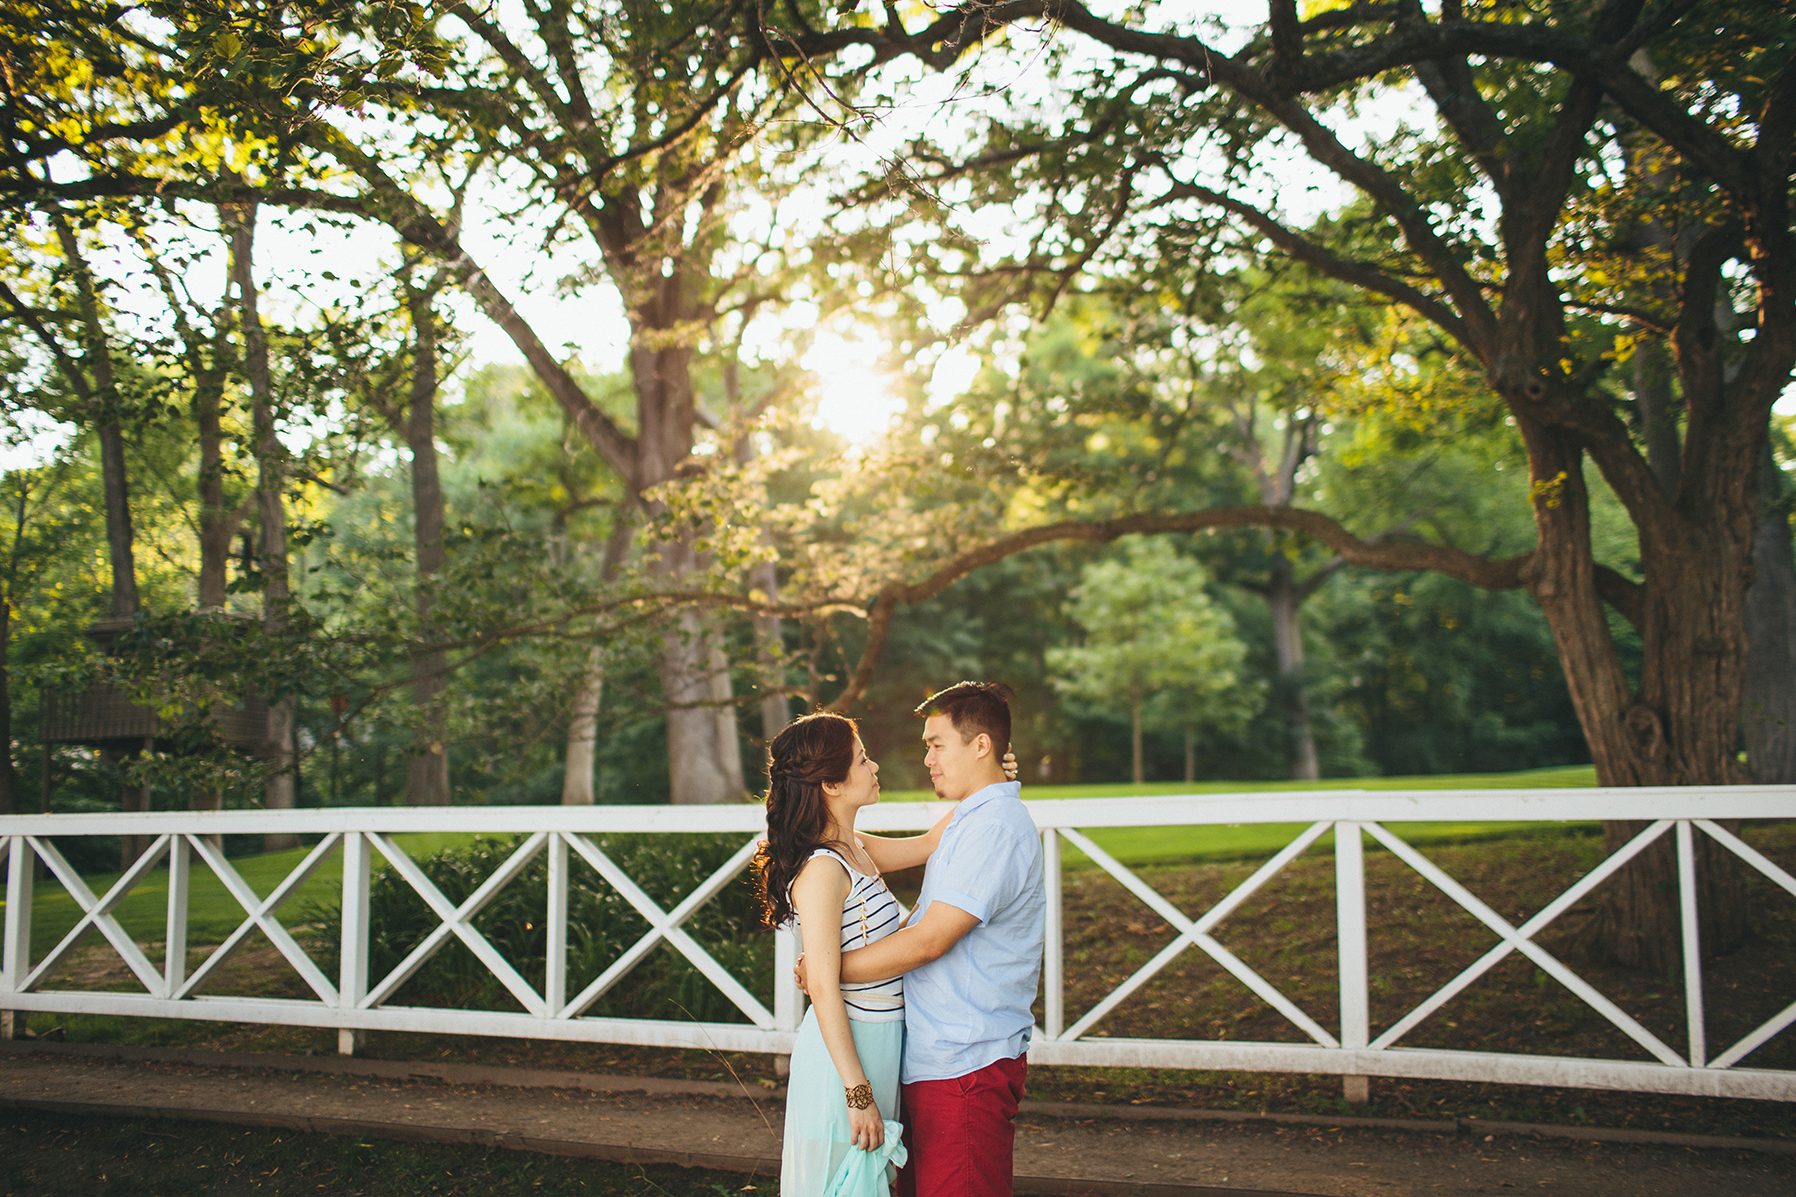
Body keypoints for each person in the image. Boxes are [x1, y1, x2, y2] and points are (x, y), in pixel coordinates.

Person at [797, 682, 1046, 1197]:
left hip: (966, 1062)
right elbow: (853, 842)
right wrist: (798, 826)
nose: (925, 758)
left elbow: (929, 940)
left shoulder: (993, 829)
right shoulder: (972, 817)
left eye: (936, 744)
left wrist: (826, 972)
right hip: (932, 1057)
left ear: (979, 746)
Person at [755, 712, 949, 1197]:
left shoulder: (856, 849)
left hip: (881, 1047)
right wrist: (857, 1093)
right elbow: (821, 983)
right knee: (838, 1185)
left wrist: (998, 780)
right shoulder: (823, 869)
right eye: (863, 760)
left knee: (870, 1183)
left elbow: (931, 844)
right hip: (844, 1061)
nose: (875, 766)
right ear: (832, 785)